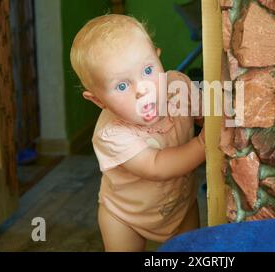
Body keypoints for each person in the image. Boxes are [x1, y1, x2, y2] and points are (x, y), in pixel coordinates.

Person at [70, 14, 206, 251]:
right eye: (122, 86)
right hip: (125, 217)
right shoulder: (111, 134)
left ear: (158, 56)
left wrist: (218, 118)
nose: (142, 89)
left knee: (190, 250)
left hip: (180, 206)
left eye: (147, 70)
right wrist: (205, 143)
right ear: (98, 101)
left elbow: (207, 114)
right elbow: (156, 165)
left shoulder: (178, 88)